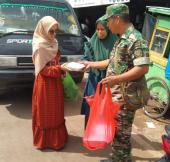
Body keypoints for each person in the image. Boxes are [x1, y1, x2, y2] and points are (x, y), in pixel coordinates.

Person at [82, 4, 150, 162]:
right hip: (117, 96)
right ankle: (117, 158)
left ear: (117, 19)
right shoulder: (122, 39)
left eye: (109, 20)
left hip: (126, 97)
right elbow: (112, 61)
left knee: (122, 135)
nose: (107, 24)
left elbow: (143, 68)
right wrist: (90, 64)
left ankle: (121, 159)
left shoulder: (135, 39)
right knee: (118, 132)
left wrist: (116, 79)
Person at [32, 16, 68, 150]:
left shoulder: (54, 43)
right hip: (45, 84)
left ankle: (58, 139)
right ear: (43, 30)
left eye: (55, 31)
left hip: (55, 83)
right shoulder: (39, 46)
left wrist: (62, 68)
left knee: (56, 111)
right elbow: (42, 70)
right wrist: (61, 68)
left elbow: (55, 62)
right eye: (51, 31)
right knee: (45, 113)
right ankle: (46, 142)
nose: (54, 34)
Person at [81, 16, 118, 128]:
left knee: (105, 107)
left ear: (108, 30)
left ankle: (102, 131)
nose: (99, 32)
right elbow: (86, 58)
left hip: (108, 81)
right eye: (98, 29)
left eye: (103, 29)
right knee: (91, 105)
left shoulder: (116, 43)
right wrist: (84, 65)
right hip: (94, 80)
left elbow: (111, 62)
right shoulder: (92, 42)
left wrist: (91, 64)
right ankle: (89, 130)